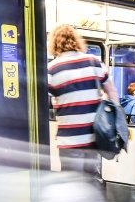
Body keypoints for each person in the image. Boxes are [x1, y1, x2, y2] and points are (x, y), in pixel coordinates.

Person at [47, 24, 118, 180]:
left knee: (72, 185)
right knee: (92, 182)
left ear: (54, 43)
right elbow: (112, 92)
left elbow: (44, 100)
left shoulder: (51, 69)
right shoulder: (94, 62)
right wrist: (115, 118)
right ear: (76, 41)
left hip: (69, 140)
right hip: (94, 138)